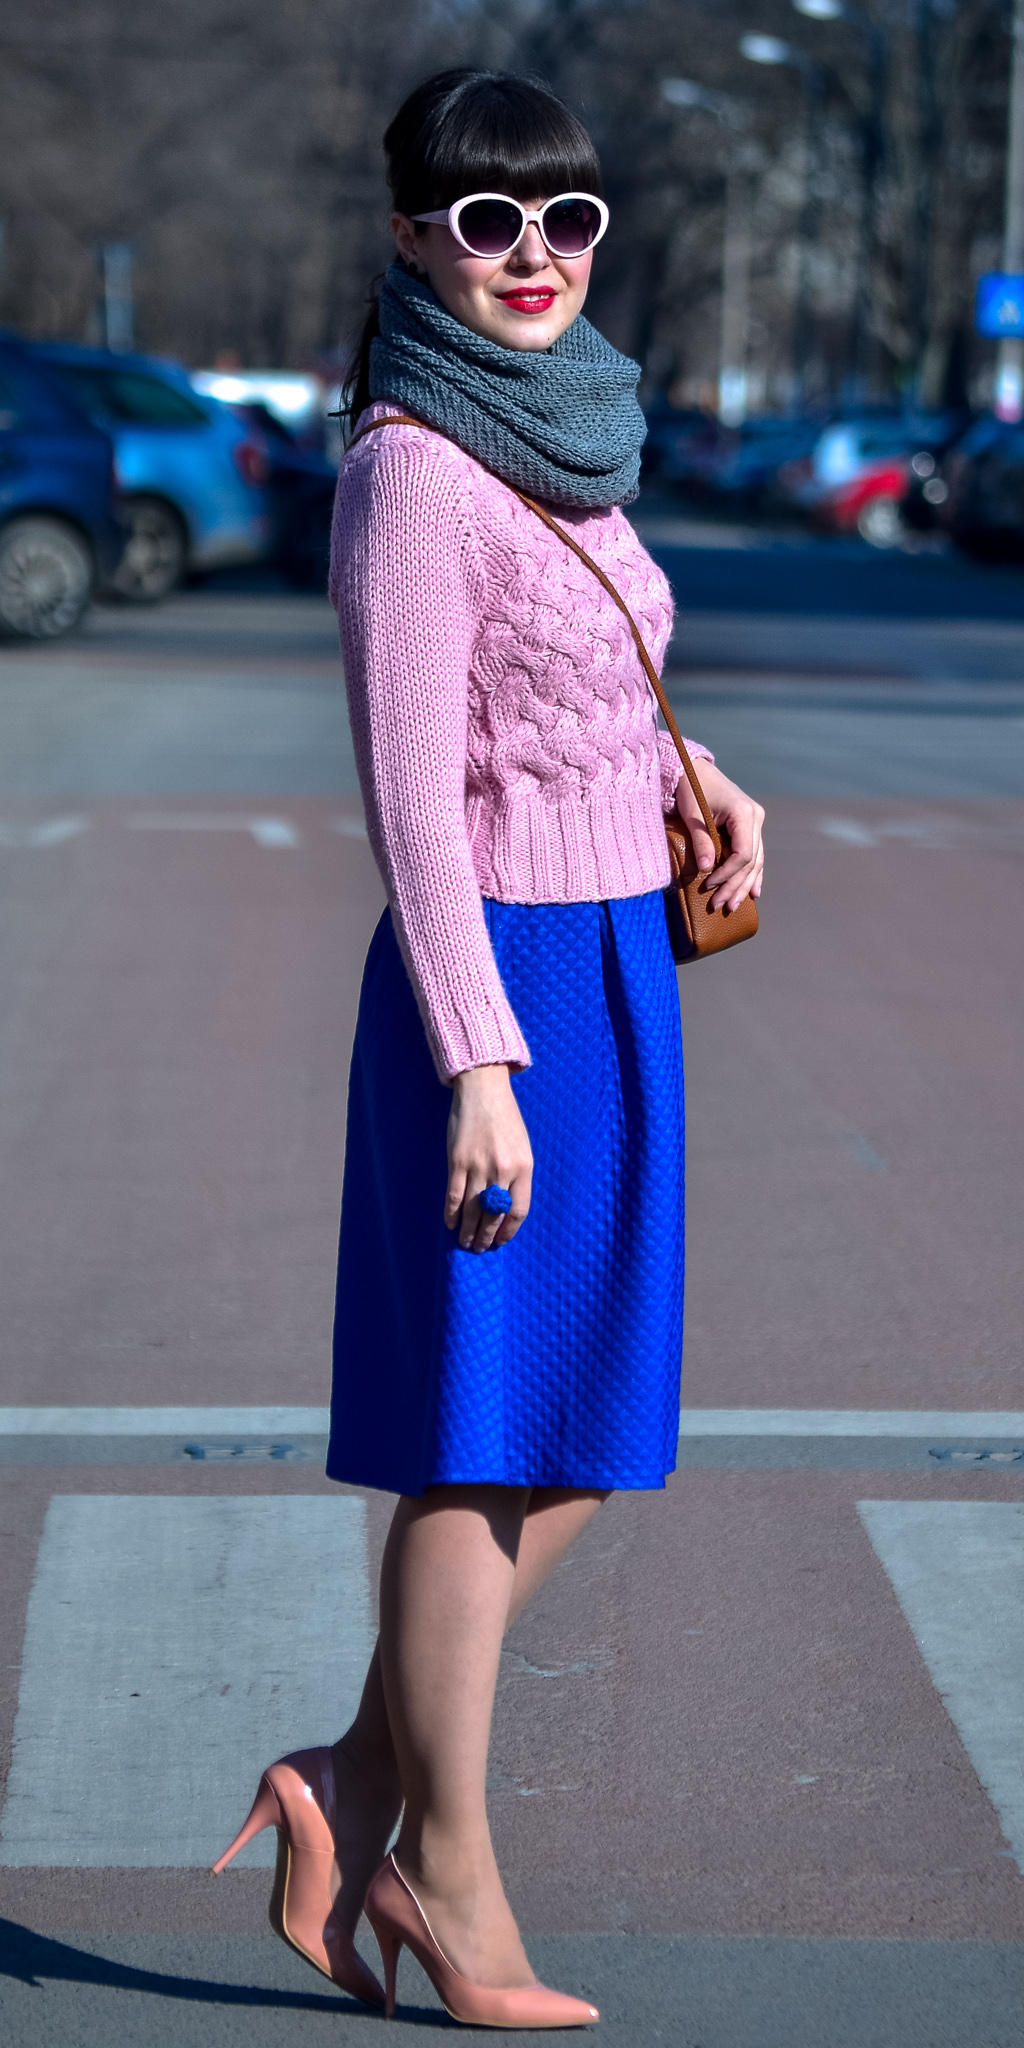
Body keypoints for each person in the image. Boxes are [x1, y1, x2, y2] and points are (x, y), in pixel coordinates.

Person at [213, 67, 765, 2028]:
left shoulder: (564, 428)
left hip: (613, 951)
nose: (529, 257)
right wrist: (475, 1061)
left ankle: (351, 1777)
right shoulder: (411, 473)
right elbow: (414, 797)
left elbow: (572, 681)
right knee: (479, 1444)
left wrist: (691, 769)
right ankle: (442, 1867)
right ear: (409, 238)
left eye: (564, 218)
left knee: (588, 1439)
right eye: (483, 220)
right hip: (504, 982)